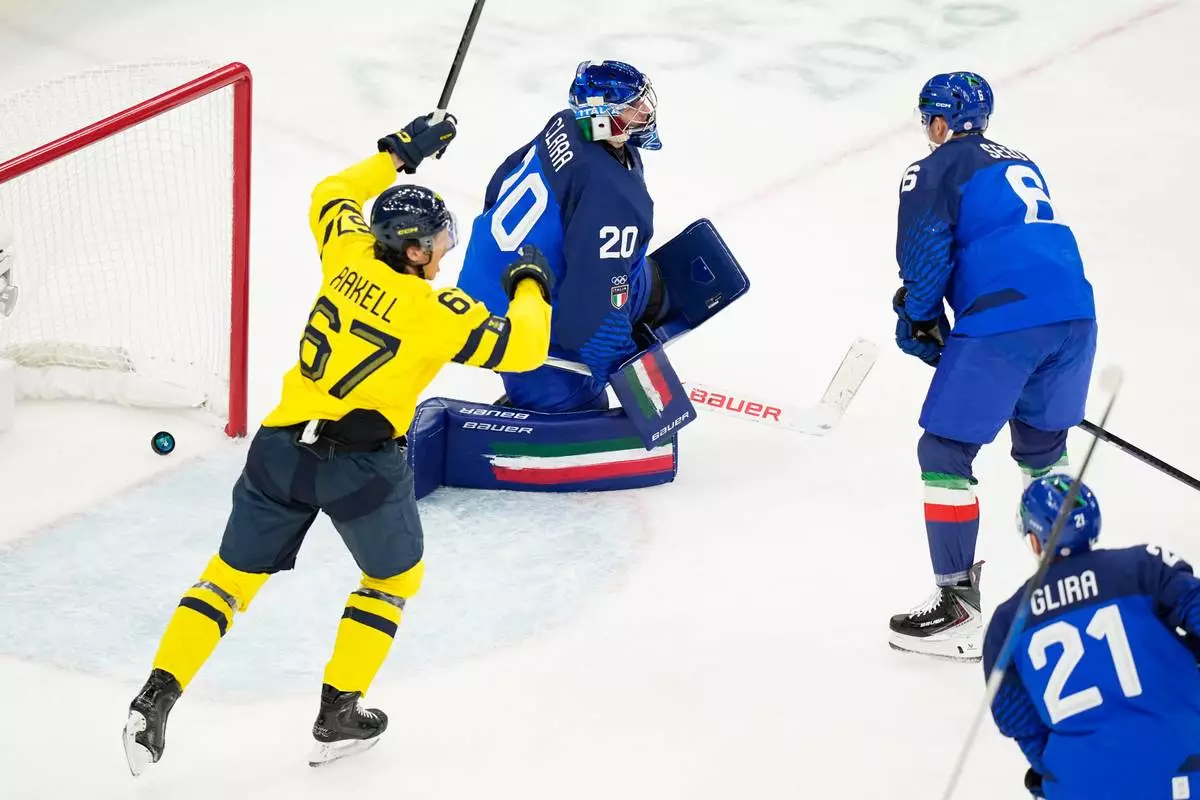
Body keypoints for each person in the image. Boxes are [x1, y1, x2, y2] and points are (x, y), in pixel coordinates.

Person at [122, 111, 554, 774]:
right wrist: (530, 283)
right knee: (393, 577)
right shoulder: (435, 315)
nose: (447, 248)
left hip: (280, 450)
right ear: (413, 251)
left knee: (227, 581)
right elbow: (526, 349)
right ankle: (338, 712)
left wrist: (399, 154)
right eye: (439, 239)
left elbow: (331, 192)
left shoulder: (346, 250)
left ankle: (155, 698)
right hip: (361, 469)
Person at [886, 71, 1098, 660]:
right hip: (1075, 312)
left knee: (944, 452)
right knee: (1042, 448)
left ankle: (956, 609)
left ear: (936, 121)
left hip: (1006, 320)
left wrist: (919, 318)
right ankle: (1074, 600)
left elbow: (927, 252)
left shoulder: (934, 166)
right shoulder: (1019, 161)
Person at [456, 59, 665, 413]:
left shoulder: (566, 123)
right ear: (602, 117)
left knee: (635, 282)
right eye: (632, 107)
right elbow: (594, 295)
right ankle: (537, 392)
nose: (644, 111)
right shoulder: (612, 196)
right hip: (511, 317)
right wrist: (621, 366)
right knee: (581, 409)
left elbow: (499, 182)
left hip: (487, 275)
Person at [985, 475, 1200, 798]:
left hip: (1083, 785)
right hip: (1184, 767)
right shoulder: (1145, 567)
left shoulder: (1008, 620)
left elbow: (1015, 718)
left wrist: (1067, 772)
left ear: (1034, 540)